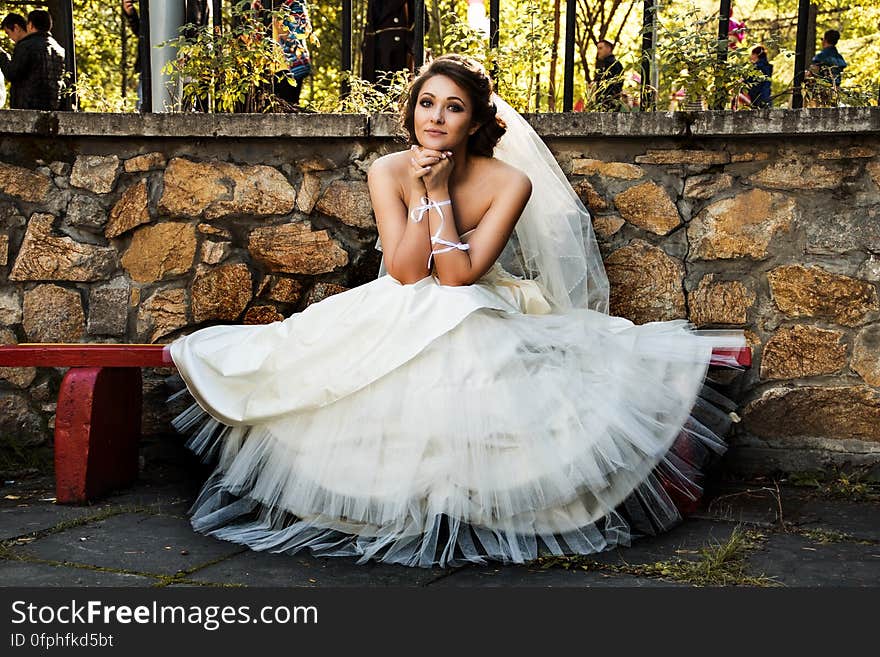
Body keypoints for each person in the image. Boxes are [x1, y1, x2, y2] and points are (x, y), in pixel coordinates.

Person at [169, 54, 745, 568]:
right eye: (426, 104)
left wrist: (439, 192)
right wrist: (420, 193)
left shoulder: (508, 181)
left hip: (474, 293)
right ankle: (391, 500)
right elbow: (404, 270)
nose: (436, 118)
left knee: (464, 323)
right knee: (357, 352)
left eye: (453, 107)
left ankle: (475, 501)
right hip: (401, 294)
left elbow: (459, 275)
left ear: (475, 121)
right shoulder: (387, 170)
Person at [252, 0, 313, 109]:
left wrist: (280, 24)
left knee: (288, 108)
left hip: (290, 67)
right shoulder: (258, 5)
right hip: (266, 68)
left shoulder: (294, 5)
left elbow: (301, 33)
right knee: (265, 109)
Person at [0, 10, 65, 110]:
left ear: (30, 25)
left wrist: (2, 55)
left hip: (27, 108)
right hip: (53, 108)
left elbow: (12, 74)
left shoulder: (26, 46)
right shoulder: (59, 49)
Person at [807, 29, 847, 106]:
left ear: (825, 40)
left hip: (820, 93)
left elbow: (811, 74)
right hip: (836, 92)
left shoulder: (820, 57)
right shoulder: (839, 57)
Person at [595, 39, 624, 111]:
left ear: (608, 49)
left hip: (609, 104)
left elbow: (615, 85)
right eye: (598, 48)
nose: (598, 51)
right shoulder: (603, 64)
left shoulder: (614, 64)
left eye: (600, 48)